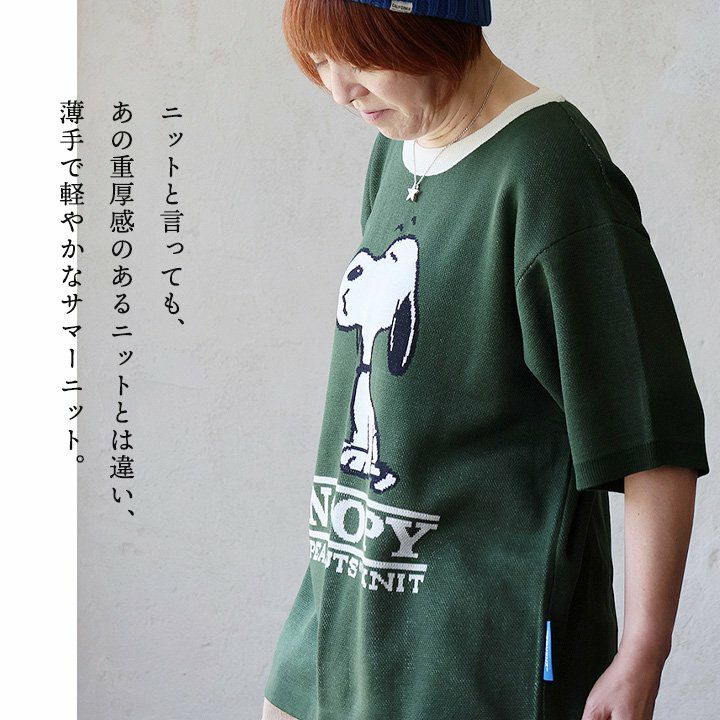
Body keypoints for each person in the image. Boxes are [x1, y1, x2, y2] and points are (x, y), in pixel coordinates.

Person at [261, 2, 710, 719]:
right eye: (319, 62)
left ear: (433, 23)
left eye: (361, 57)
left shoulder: (549, 171)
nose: (340, 90)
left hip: (480, 666)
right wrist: (299, 673)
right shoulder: (397, 148)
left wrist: (642, 653)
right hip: (343, 638)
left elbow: (649, 437)